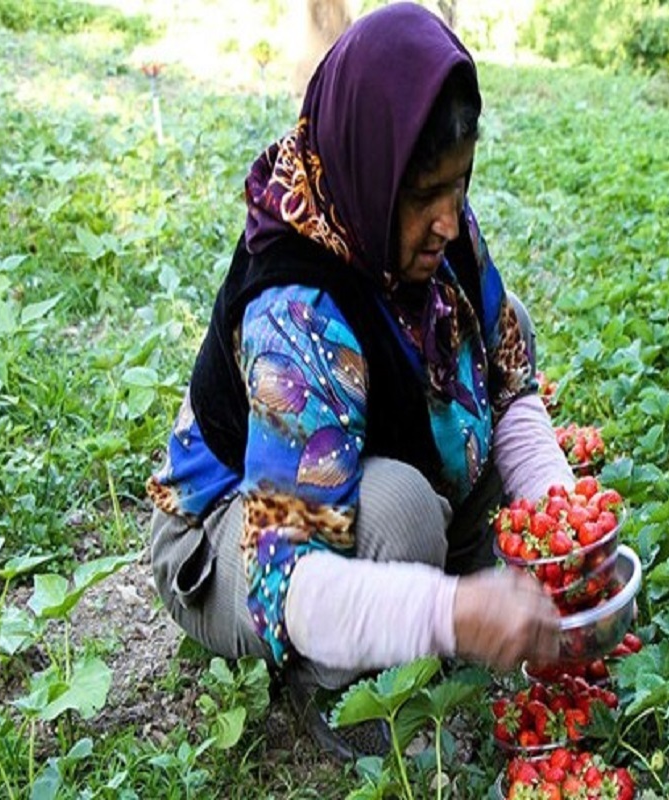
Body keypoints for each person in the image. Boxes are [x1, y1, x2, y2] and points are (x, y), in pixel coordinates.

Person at [145, 2, 575, 760]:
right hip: (231, 541)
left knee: (501, 327)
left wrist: (561, 516)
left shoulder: (433, 227)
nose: (449, 220)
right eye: (424, 196)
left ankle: (430, 589)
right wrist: (454, 613)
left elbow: (507, 384)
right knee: (401, 512)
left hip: (353, 463)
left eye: (460, 186)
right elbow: (292, 580)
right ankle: (339, 683)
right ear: (374, 170)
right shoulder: (296, 315)